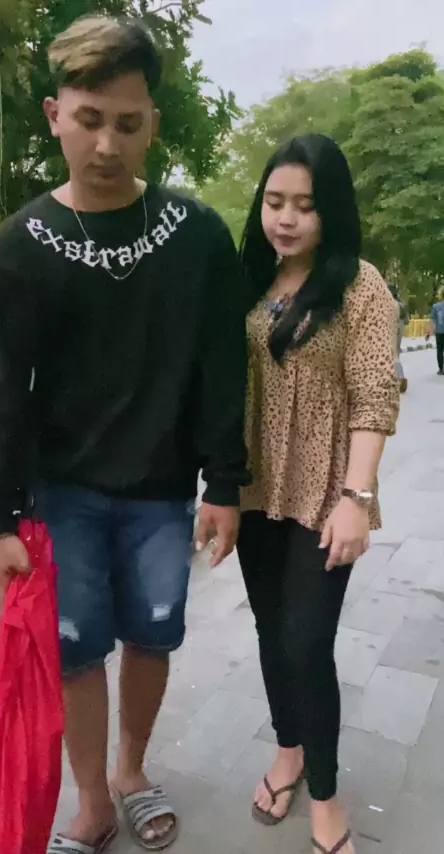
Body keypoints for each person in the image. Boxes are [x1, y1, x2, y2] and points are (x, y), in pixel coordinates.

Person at [0, 16, 250, 854]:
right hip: (61, 496)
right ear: (55, 114)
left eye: (127, 123)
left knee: (154, 636)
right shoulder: (20, 248)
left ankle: (131, 771)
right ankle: (91, 801)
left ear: (152, 123)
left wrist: (225, 483)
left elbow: (222, 367)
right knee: (77, 651)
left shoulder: (198, 237)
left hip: (162, 492)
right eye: (89, 119)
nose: (106, 144)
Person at [237, 134, 400, 854]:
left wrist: (356, 497)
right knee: (272, 635)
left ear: (329, 209)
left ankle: (327, 799)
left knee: (307, 646)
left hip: (327, 496)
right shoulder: (249, 280)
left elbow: (374, 396)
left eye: (304, 205)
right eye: (275, 201)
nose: (286, 218)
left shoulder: (359, 286)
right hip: (255, 491)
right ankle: (289, 751)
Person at [388, 283, 408, 393]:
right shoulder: (400, 303)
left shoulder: (387, 302)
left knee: (389, 353)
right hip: (400, 326)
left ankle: (392, 378)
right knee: (395, 354)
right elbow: (406, 319)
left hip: (391, 326)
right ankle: (400, 376)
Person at [429, 290, 444, 375]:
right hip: (439, 332)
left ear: (442, 295)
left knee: (440, 350)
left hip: (439, 332)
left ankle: (441, 369)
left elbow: (432, 321)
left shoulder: (436, 306)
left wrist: (429, 332)